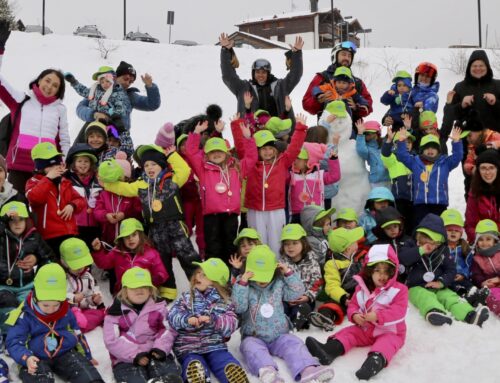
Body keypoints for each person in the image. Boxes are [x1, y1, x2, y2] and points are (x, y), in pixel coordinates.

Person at [101, 144, 200, 300]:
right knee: (163, 259)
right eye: (146, 165)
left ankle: (201, 287)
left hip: (176, 225)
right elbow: (124, 188)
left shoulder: (172, 180)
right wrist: (106, 184)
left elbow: (185, 170)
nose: (149, 167)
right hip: (156, 228)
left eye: (153, 164)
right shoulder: (141, 185)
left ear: (161, 165)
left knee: (187, 255)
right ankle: (168, 291)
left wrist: (172, 155)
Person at [232, 245, 335, 383]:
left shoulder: (278, 283)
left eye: (266, 275)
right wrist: (242, 284)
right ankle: (268, 372)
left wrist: (288, 273)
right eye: (258, 275)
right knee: (250, 348)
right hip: (253, 335)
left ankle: (308, 369)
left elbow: (296, 293)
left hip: (279, 334)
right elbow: (239, 307)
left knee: (294, 343)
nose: (263, 280)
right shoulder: (244, 285)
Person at [306, 244, 408, 381]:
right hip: (367, 328)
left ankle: (373, 363)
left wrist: (378, 316)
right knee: (350, 333)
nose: (382, 275)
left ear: (393, 271)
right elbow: (353, 305)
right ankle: (329, 350)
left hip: (391, 331)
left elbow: (399, 311)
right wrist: (354, 315)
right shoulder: (361, 288)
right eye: (377, 270)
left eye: (386, 271)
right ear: (370, 271)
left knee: (386, 344)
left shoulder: (399, 290)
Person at [0, 22, 70, 193]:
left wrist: (65, 162)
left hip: (47, 169)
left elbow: (64, 139)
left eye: (55, 85)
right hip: (18, 166)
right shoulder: (21, 100)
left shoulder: (59, 110)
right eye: (47, 81)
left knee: (43, 216)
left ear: (58, 90)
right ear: (39, 80)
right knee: (16, 212)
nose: (49, 86)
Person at [5, 263, 103, 383]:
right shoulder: (24, 315)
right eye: (45, 305)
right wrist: (26, 358)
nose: (51, 309)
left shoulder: (66, 310)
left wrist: (87, 356)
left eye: (56, 305)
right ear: (35, 297)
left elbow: (76, 332)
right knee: (39, 378)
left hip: (64, 351)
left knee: (86, 373)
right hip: (34, 356)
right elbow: (14, 342)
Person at [184, 119, 257, 265]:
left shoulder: (236, 168)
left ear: (226, 153)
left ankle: (231, 276)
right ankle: (215, 277)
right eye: (212, 152)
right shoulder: (203, 168)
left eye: (219, 151)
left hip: (230, 216)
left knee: (230, 246)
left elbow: (252, 158)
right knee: (213, 247)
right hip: (211, 216)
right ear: (207, 155)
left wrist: (249, 138)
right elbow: (191, 153)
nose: (216, 154)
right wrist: (196, 134)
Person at [399, 213, 489, 326]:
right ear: (420, 235)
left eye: (436, 241)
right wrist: (420, 250)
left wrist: (441, 282)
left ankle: (469, 314)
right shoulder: (410, 244)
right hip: (416, 286)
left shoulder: (442, 251)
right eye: (427, 238)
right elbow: (403, 258)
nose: (431, 244)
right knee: (424, 297)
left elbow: (451, 269)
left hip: (437, 284)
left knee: (450, 296)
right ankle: (434, 311)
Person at [168, 258, 248, 383]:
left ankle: (232, 374)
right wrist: (187, 319)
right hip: (188, 346)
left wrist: (214, 320)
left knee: (222, 359)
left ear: (215, 282)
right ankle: (196, 375)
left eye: (204, 274)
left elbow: (232, 323)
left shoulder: (224, 302)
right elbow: (172, 316)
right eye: (198, 272)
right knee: (193, 362)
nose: (198, 276)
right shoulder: (186, 298)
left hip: (214, 344)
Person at [104, 267, 182, 383]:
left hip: (154, 352)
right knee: (134, 378)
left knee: (168, 375)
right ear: (125, 290)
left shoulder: (159, 307)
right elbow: (112, 340)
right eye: (134, 287)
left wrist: (160, 348)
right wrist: (135, 354)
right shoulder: (115, 313)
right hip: (127, 358)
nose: (139, 290)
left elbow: (168, 329)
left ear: (150, 290)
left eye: (144, 286)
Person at [75, 61, 161, 155]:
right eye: (126, 78)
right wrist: (94, 114)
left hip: (117, 138)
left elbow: (152, 105)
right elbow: (80, 108)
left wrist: (150, 86)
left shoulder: (129, 96)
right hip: (94, 135)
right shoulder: (97, 91)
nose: (128, 83)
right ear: (115, 77)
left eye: (131, 81)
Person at [219, 32, 304, 118]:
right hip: (252, 129)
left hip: (278, 129)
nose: (260, 75)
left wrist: (296, 54)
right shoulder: (244, 88)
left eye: (264, 72)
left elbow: (295, 75)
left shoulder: (280, 87)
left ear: (268, 73)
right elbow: (228, 76)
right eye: (257, 72)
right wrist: (225, 50)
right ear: (253, 73)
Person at [0, 201, 54, 331]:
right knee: (8, 305)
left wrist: (37, 259)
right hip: (3, 287)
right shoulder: (1, 237)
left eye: (21, 220)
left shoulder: (34, 237)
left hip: (26, 285)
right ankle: (9, 335)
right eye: (13, 220)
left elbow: (51, 260)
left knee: (31, 306)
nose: (17, 224)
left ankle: (31, 333)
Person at [25, 142, 86, 256]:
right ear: (40, 168)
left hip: (69, 233)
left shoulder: (64, 183)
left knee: (74, 265)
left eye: (56, 165)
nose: (55, 169)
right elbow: (35, 198)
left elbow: (81, 200)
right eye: (50, 166)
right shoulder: (33, 182)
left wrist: (72, 205)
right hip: (48, 236)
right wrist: (48, 179)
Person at [396, 127, 463, 226]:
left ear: (438, 150)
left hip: (440, 204)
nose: (430, 150)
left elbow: (457, 157)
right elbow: (402, 156)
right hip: (421, 205)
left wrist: (456, 143)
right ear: (422, 150)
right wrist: (401, 142)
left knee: (438, 228)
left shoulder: (445, 163)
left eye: (433, 148)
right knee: (421, 228)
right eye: (427, 148)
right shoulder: (415, 162)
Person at [91, 218, 168, 295]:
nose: (131, 239)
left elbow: (162, 273)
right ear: (122, 239)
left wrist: (151, 279)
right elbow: (103, 263)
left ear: (140, 236)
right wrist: (98, 251)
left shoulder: (151, 253)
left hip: (145, 292)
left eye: (134, 235)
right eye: (126, 236)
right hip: (124, 292)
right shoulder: (117, 252)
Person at [302, 41, 373, 123]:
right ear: (335, 56)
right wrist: (318, 100)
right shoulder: (322, 77)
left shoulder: (357, 82)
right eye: (343, 54)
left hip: (351, 131)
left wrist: (357, 107)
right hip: (327, 130)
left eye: (349, 56)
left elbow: (369, 106)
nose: (347, 58)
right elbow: (306, 104)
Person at [313, 227, 365, 330]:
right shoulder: (332, 264)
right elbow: (332, 285)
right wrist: (343, 297)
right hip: (346, 295)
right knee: (332, 304)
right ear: (348, 249)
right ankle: (325, 317)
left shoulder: (358, 258)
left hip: (363, 293)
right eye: (354, 242)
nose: (357, 243)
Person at [443, 50, 500, 136]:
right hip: (467, 138)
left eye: (481, 65)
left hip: (494, 139)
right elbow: (450, 116)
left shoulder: (498, 85)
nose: (478, 68)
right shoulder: (460, 87)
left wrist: (495, 102)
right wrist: (462, 105)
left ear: (487, 67)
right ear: (469, 68)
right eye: (474, 66)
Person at [279, 224, 323, 331]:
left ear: (303, 243)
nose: (290, 247)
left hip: (304, 299)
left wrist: (308, 296)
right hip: (287, 299)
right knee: (280, 308)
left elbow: (317, 282)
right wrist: (284, 297)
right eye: (286, 244)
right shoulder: (282, 263)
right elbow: (278, 283)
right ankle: (282, 322)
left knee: (303, 309)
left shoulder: (311, 261)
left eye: (295, 243)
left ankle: (297, 322)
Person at [60, 237, 105, 333]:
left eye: (82, 263)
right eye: (76, 265)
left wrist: (93, 299)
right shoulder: (62, 278)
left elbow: (89, 293)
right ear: (64, 263)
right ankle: (76, 324)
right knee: (72, 319)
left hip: (85, 310)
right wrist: (73, 298)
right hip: (68, 312)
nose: (80, 268)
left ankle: (82, 323)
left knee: (97, 314)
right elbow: (58, 296)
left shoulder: (87, 276)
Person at [288, 143, 340, 223]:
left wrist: (333, 160)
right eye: (294, 159)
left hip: (316, 213)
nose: (295, 161)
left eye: (298, 159)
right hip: (297, 214)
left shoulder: (318, 174)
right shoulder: (291, 175)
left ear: (306, 161)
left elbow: (335, 176)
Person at [64, 144, 102, 247]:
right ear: (74, 163)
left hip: (95, 226)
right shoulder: (67, 180)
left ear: (91, 164)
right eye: (79, 161)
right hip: (75, 226)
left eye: (86, 161)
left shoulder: (98, 180)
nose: (83, 164)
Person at [381, 128, 415, 234]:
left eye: (409, 142)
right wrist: (388, 141)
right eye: (404, 142)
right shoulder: (393, 159)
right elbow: (385, 154)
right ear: (396, 144)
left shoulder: (415, 158)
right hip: (399, 198)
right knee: (400, 222)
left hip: (413, 198)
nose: (407, 144)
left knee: (412, 222)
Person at [464, 149, 500, 240]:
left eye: (491, 168)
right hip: (483, 242)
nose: (487, 172)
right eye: (483, 168)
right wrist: (482, 241)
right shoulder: (475, 192)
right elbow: (470, 225)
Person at [471, 220, 500, 317]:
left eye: (488, 239)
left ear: (495, 240)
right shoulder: (477, 258)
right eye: (481, 239)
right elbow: (476, 275)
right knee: (492, 295)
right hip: (492, 286)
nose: (484, 242)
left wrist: (498, 278)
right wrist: (482, 282)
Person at [355, 120, 390, 189]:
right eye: (365, 133)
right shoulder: (367, 147)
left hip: (389, 179)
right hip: (376, 181)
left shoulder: (384, 144)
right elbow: (362, 151)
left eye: (368, 133)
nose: (366, 135)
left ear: (376, 133)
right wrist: (360, 134)